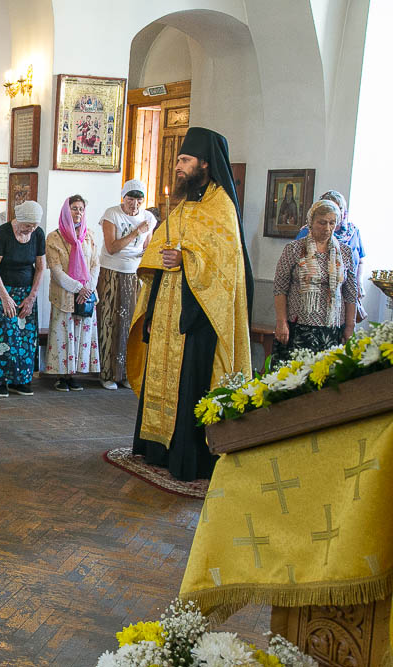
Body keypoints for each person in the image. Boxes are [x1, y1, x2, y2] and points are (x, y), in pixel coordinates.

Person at [127, 127, 254, 482]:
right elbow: (160, 251)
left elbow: (225, 266)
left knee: (190, 386)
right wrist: (153, 307)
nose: (178, 166)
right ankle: (157, 450)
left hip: (199, 318)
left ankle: (187, 458)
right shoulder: (184, 205)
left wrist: (187, 260)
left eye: (185, 160)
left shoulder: (221, 206)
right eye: (179, 160)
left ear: (205, 163)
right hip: (168, 313)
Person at [272, 199, 357, 364]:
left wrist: (349, 327)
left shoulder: (345, 252)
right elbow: (280, 288)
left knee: (328, 375)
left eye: (332, 223)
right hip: (300, 327)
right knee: (296, 374)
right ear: (311, 222)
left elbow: (351, 293)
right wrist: (281, 322)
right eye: (322, 223)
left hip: (333, 328)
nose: (327, 228)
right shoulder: (294, 249)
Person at [0, 200, 46, 398]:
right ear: (19, 220)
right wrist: (5, 297)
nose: (30, 229)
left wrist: (32, 297)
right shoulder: (4, 233)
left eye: (34, 226)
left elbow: (41, 267)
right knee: (3, 337)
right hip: (2, 291)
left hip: (25, 293)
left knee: (24, 339)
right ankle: (1, 381)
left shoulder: (38, 234)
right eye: (27, 226)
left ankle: (20, 380)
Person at [97, 179, 155, 390]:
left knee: (130, 324)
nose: (134, 204)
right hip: (112, 272)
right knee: (109, 321)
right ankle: (107, 373)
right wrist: (136, 232)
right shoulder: (112, 214)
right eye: (130, 199)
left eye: (139, 200)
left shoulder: (149, 218)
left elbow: (147, 247)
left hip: (134, 274)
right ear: (124, 197)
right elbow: (112, 247)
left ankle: (125, 374)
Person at [45, 195, 101, 391]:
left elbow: (95, 264)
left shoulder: (89, 235)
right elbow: (56, 270)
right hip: (65, 295)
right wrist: (78, 288)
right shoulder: (54, 237)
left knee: (81, 335)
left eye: (81, 209)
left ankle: (74, 374)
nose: (78, 212)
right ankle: (61, 376)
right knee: (64, 334)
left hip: (86, 296)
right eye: (74, 208)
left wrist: (88, 288)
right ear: (66, 211)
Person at [295, 189, 366, 321]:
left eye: (340, 208)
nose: (336, 212)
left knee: (346, 327)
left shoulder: (353, 232)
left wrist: (359, 282)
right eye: (332, 207)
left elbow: (360, 260)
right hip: (315, 294)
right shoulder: (307, 232)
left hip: (346, 291)